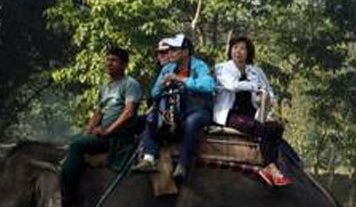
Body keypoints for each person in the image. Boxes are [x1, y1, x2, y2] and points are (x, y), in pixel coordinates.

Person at [60, 47, 144, 188]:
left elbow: (129, 112)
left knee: (76, 146)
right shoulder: (105, 87)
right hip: (103, 133)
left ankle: (66, 190)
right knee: (74, 141)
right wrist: (87, 131)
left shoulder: (130, 84)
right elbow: (98, 113)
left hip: (117, 135)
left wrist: (107, 131)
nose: (109, 63)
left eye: (114, 60)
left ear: (124, 65)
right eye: (108, 60)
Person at [136, 33, 214, 183]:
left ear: (185, 52)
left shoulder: (200, 66)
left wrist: (180, 79)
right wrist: (162, 84)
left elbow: (209, 85)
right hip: (176, 108)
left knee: (192, 122)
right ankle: (148, 158)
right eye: (169, 50)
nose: (169, 53)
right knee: (152, 117)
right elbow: (154, 92)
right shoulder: (168, 68)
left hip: (198, 109)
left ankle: (183, 164)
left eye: (174, 50)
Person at [213, 35, 290, 187]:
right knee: (259, 128)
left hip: (253, 113)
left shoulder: (256, 71)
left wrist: (268, 99)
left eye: (242, 48)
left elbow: (270, 91)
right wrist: (255, 86)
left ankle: (270, 163)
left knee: (276, 127)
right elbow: (232, 85)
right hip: (230, 114)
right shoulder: (222, 68)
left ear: (248, 52)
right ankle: (270, 167)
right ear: (230, 50)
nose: (238, 51)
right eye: (235, 48)